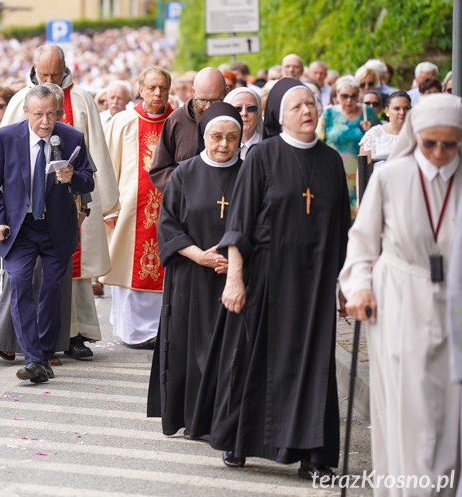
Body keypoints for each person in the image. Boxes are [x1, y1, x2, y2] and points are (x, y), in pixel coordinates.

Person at [192, 84, 349, 479]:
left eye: (311, 103)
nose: (307, 110)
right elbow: (240, 222)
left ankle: (314, 456)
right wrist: (236, 279)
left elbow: (344, 229)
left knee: (314, 367)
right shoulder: (262, 156)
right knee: (253, 359)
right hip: (266, 279)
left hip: (315, 286)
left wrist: (347, 284)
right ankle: (239, 440)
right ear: (280, 113)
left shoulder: (331, 162)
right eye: (297, 105)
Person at [341, 93, 462, 494]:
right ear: (416, 136)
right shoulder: (393, 176)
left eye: (451, 144)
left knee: (452, 408)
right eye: (430, 143)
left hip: (456, 303)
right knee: (410, 409)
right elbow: (360, 244)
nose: (441, 152)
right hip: (401, 299)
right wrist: (358, 288)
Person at [0, 44, 119, 358]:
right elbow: (3, 156)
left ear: (66, 67)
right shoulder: (20, 100)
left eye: (55, 74)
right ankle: (16, 339)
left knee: (72, 274)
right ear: (34, 68)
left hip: (72, 200)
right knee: (23, 277)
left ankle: (76, 334)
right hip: (26, 209)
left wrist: (94, 201)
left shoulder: (81, 99)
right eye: (43, 74)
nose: (49, 80)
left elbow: (95, 153)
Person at [0, 84, 94, 382]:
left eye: (51, 114)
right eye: (39, 114)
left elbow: (88, 182)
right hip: (20, 227)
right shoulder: (6, 137)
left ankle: (43, 354)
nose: (45, 121)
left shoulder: (71, 137)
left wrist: (73, 178)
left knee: (52, 290)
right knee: (19, 283)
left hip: (57, 227)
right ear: (26, 112)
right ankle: (33, 359)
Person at [147, 103, 243, 437]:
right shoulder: (185, 173)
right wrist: (200, 256)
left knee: (231, 351)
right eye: (216, 137)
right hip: (191, 274)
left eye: (232, 138)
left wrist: (236, 258)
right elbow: (168, 226)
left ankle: (225, 419)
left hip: (234, 276)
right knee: (190, 350)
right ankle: (192, 417)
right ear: (204, 136)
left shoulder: (249, 174)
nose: (223, 145)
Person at [103, 67, 175, 348]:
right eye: (152, 88)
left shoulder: (179, 121)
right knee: (128, 264)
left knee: (166, 267)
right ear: (141, 90)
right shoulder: (123, 121)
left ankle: (162, 330)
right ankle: (133, 332)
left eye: (163, 88)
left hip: (169, 211)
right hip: (131, 212)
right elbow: (108, 166)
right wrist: (109, 207)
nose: (158, 93)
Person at [149, 67, 227, 191]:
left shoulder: (235, 120)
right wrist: (185, 187)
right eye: (201, 100)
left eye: (214, 100)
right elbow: (160, 170)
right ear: (193, 92)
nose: (207, 107)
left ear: (226, 92)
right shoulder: (177, 120)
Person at [319, 75, 380, 217]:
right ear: (337, 95)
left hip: (361, 173)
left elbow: (381, 141)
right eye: (344, 96)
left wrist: (370, 131)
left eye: (353, 96)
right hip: (333, 171)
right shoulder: (329, 114)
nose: (349, 100)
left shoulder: (367, 112)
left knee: (359, 213)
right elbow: (318, 140)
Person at [359, 91, 411, 166]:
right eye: (396, 109)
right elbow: (362, 170)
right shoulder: (374, 134)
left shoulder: (418, 134)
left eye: (406, 108)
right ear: (387, 111)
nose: (402, 112)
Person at [224, 87, 262, 158]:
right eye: (238, 109)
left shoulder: (269, 147)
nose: (244, 113)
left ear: (258, 112)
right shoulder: (221, 148)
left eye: (251, 108)